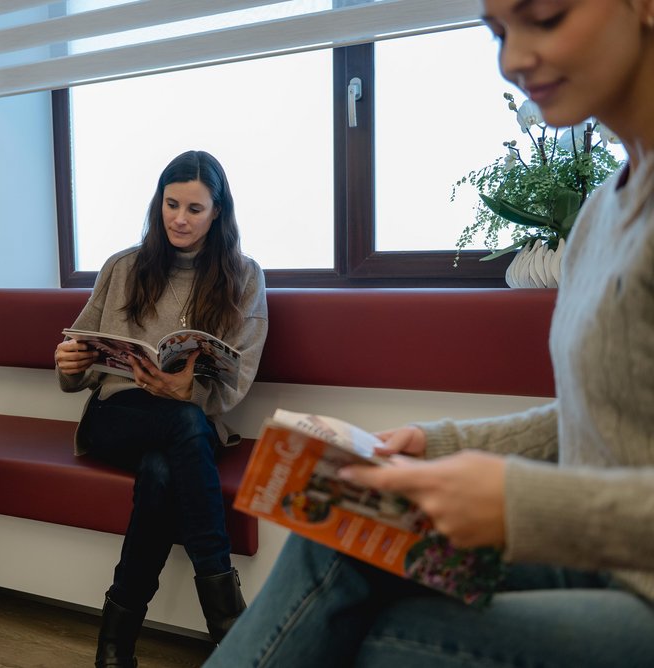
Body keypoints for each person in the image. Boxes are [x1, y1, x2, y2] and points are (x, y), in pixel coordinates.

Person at [206, 1, 654, 666]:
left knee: (391, 643)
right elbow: (609, 419)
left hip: (630, 575)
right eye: (498, 33)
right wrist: (437, 444)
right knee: (341, 525)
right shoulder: (603, 215)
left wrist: (513, 499)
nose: (513, 60)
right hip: (602, 558)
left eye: (546, 16)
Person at [55, 150, 268, 667]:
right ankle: (225, 616)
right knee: (185, 426)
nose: (179, 218)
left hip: (184, 424)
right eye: (171, 204)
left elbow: (235, 381)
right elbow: (78, 368)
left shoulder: (243, 276)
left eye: (195, 209)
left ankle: (114, 644)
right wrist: (67, 362)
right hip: (115, 417)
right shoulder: (123, 267)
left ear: (218, 212)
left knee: (161, 469)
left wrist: (185, 392)